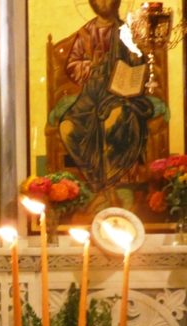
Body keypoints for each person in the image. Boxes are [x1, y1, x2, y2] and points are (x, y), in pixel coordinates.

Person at [58, 0, 154, 194]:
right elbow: (72, 65)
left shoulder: (126, 32)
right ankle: (98, 182)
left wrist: (135, 59)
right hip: (91, 97)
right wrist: (90, 66)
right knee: (66, 127)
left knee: (113, 120)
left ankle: (111, 185)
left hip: (121, 96)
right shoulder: (85, 34)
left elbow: (139, 62)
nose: (103, 1)